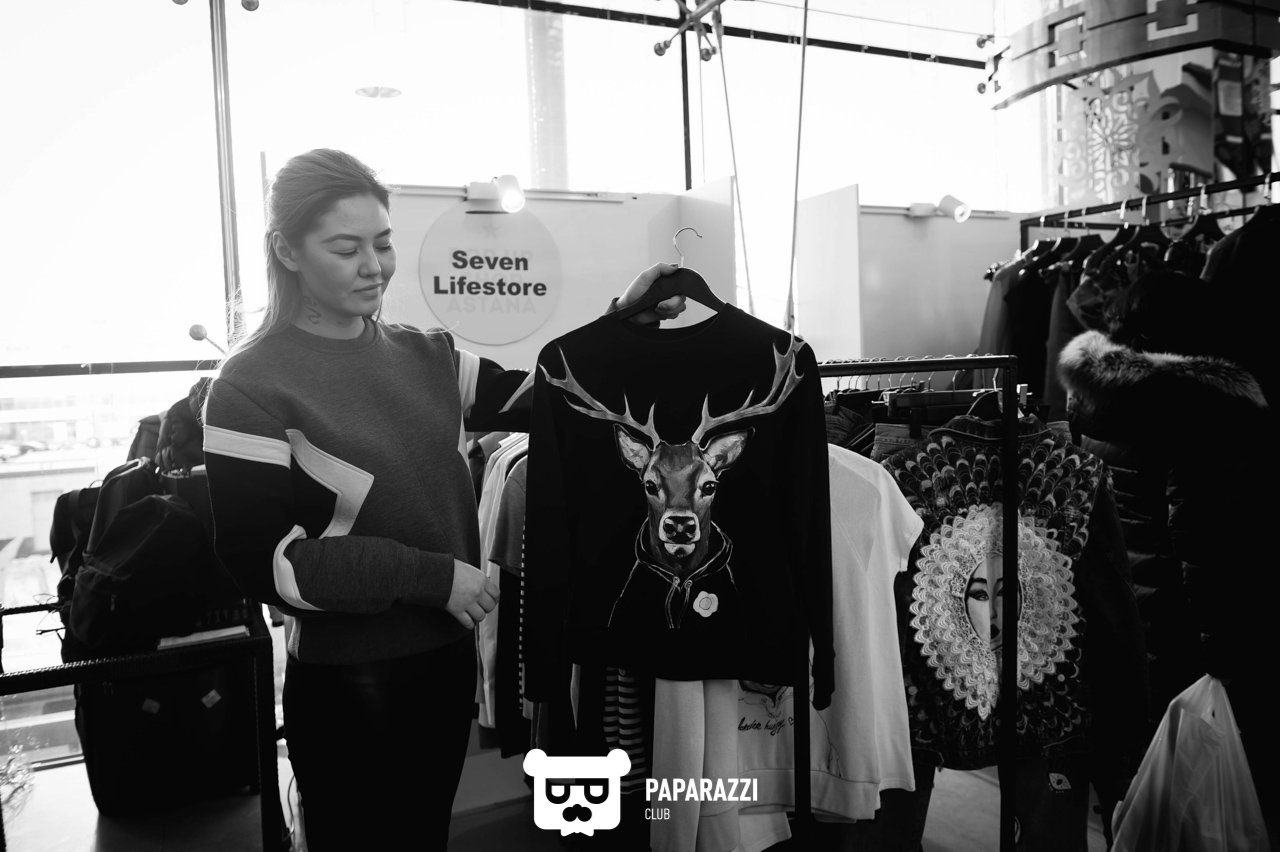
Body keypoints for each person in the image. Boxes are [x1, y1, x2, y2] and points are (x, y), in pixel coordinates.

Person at [202, 148, 686, 851]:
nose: (374, 266)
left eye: (383, 242)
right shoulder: (248, 386)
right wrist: (431, 576)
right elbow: (263, 563)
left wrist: (625, 320)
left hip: (444, 663)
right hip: (348, 682)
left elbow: (549, 399)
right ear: (287, 251)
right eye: (346, 248)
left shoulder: (428, 355)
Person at [1058, 268, 1278, 848]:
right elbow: (1204, 545)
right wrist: (1227, 658)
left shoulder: (1092, 401)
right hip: (1182, 637)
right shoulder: (1204, 408)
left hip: (1113, 625)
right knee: (1192, 800)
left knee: (1135, 788)